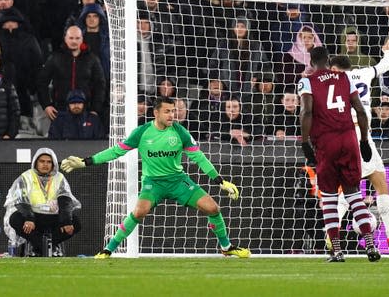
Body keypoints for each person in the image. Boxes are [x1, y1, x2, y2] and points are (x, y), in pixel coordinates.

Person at [61, 96, 251, 259]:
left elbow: (198, 157)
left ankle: (227, 248)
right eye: (167, 111)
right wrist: (87, 161)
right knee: (139, 212)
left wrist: (220, 181)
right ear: (156, 113)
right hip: (153, 183)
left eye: (173, 111)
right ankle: (108, 250)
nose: (172, 115)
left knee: (213, 208)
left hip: (178, 180)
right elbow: (116, 151)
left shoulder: (180, 132)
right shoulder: (142, 132)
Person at [297, 46, 380, 262]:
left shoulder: (307, 81)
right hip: (349, 140)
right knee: (354, 194)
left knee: (330, 198)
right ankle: (370, 245)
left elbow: (306, 111)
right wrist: (363, 140)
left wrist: (305, 143)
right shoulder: (344, 78)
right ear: (328, 60)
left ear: (312, 62)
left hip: (326, 142)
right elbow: (360, 110)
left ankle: (337, 250)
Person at [329, 40, 389, 248]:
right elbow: (385, 66)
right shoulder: (363, 73)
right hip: (359, 134)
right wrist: (387, 50)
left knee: (352, 186)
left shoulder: (330, 84)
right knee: (378, 183)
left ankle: (332, 232)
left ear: (335, 69)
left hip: (340, 135)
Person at [4, 148, 81, 256]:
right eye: (42, 161)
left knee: (75, 222)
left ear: (53, 164)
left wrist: (66, 221)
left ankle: (41, 247)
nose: (45, 164)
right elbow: (20, 200)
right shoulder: (26, 177)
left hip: (53, 216)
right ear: (36, 163)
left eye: (49, 162)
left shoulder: (59, 177)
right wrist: (29, 218)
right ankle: (44, 246)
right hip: (34, 217)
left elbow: (65, 200)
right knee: (15, 219)